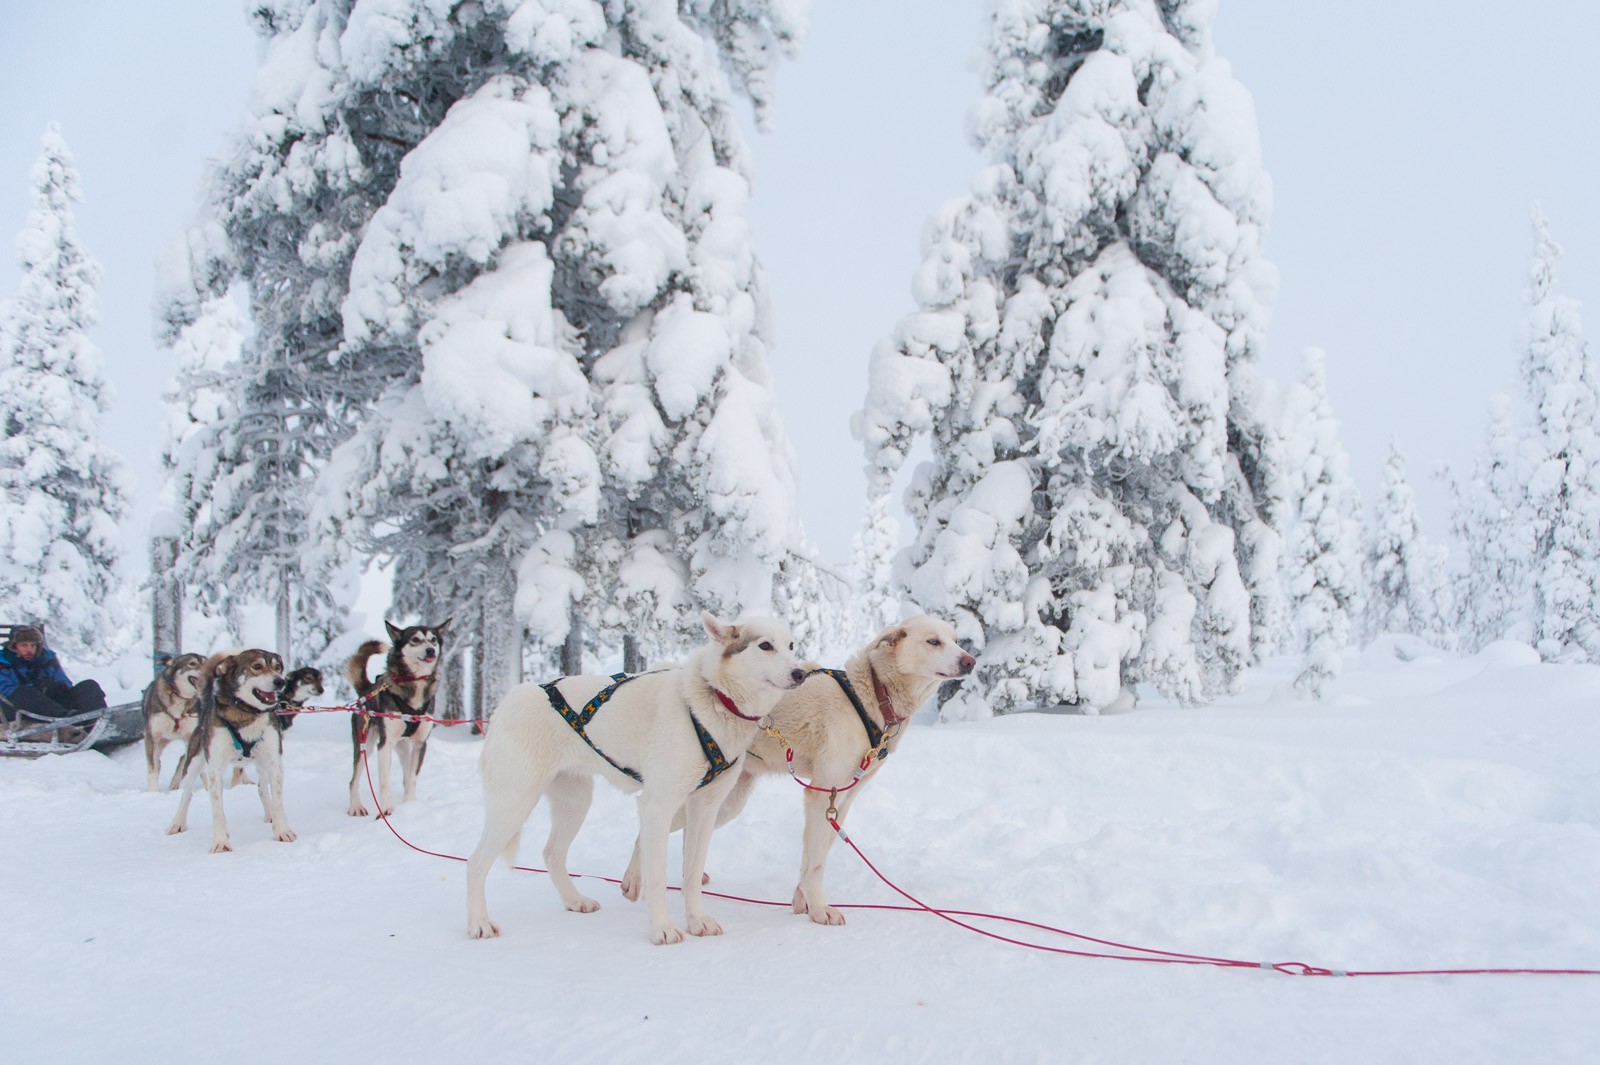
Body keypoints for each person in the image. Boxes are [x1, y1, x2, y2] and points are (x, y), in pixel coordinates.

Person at [0, 626, 107, 723]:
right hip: (14, 708)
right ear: (14, 646)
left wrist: (58, 686)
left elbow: (65, 682)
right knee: (24, 692)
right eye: (24, 645)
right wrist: (37, 688)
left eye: (33, 645)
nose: (29, 650)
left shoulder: (46, 659)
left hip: (51, 704)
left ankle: (101, 720)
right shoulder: (3, 662)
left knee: (89, 686)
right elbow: (5, 690)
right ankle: (68, 721)